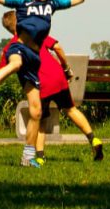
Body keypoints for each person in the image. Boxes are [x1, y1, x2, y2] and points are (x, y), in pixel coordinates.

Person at [0, 0, 92, 168]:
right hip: (20, 48)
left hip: (34, 58)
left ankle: (28, 157)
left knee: (36, 112)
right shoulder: (22, 2)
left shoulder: (52, 3)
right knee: (16, 63)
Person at [32, 34, 103, 163]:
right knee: (71, 110)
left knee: (40, 121)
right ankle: (93, 139)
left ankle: (40, 158)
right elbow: (57, 47)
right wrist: (65, 67)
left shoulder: (16, 43)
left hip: (42, 83)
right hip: (58, 76)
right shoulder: (38, 32)